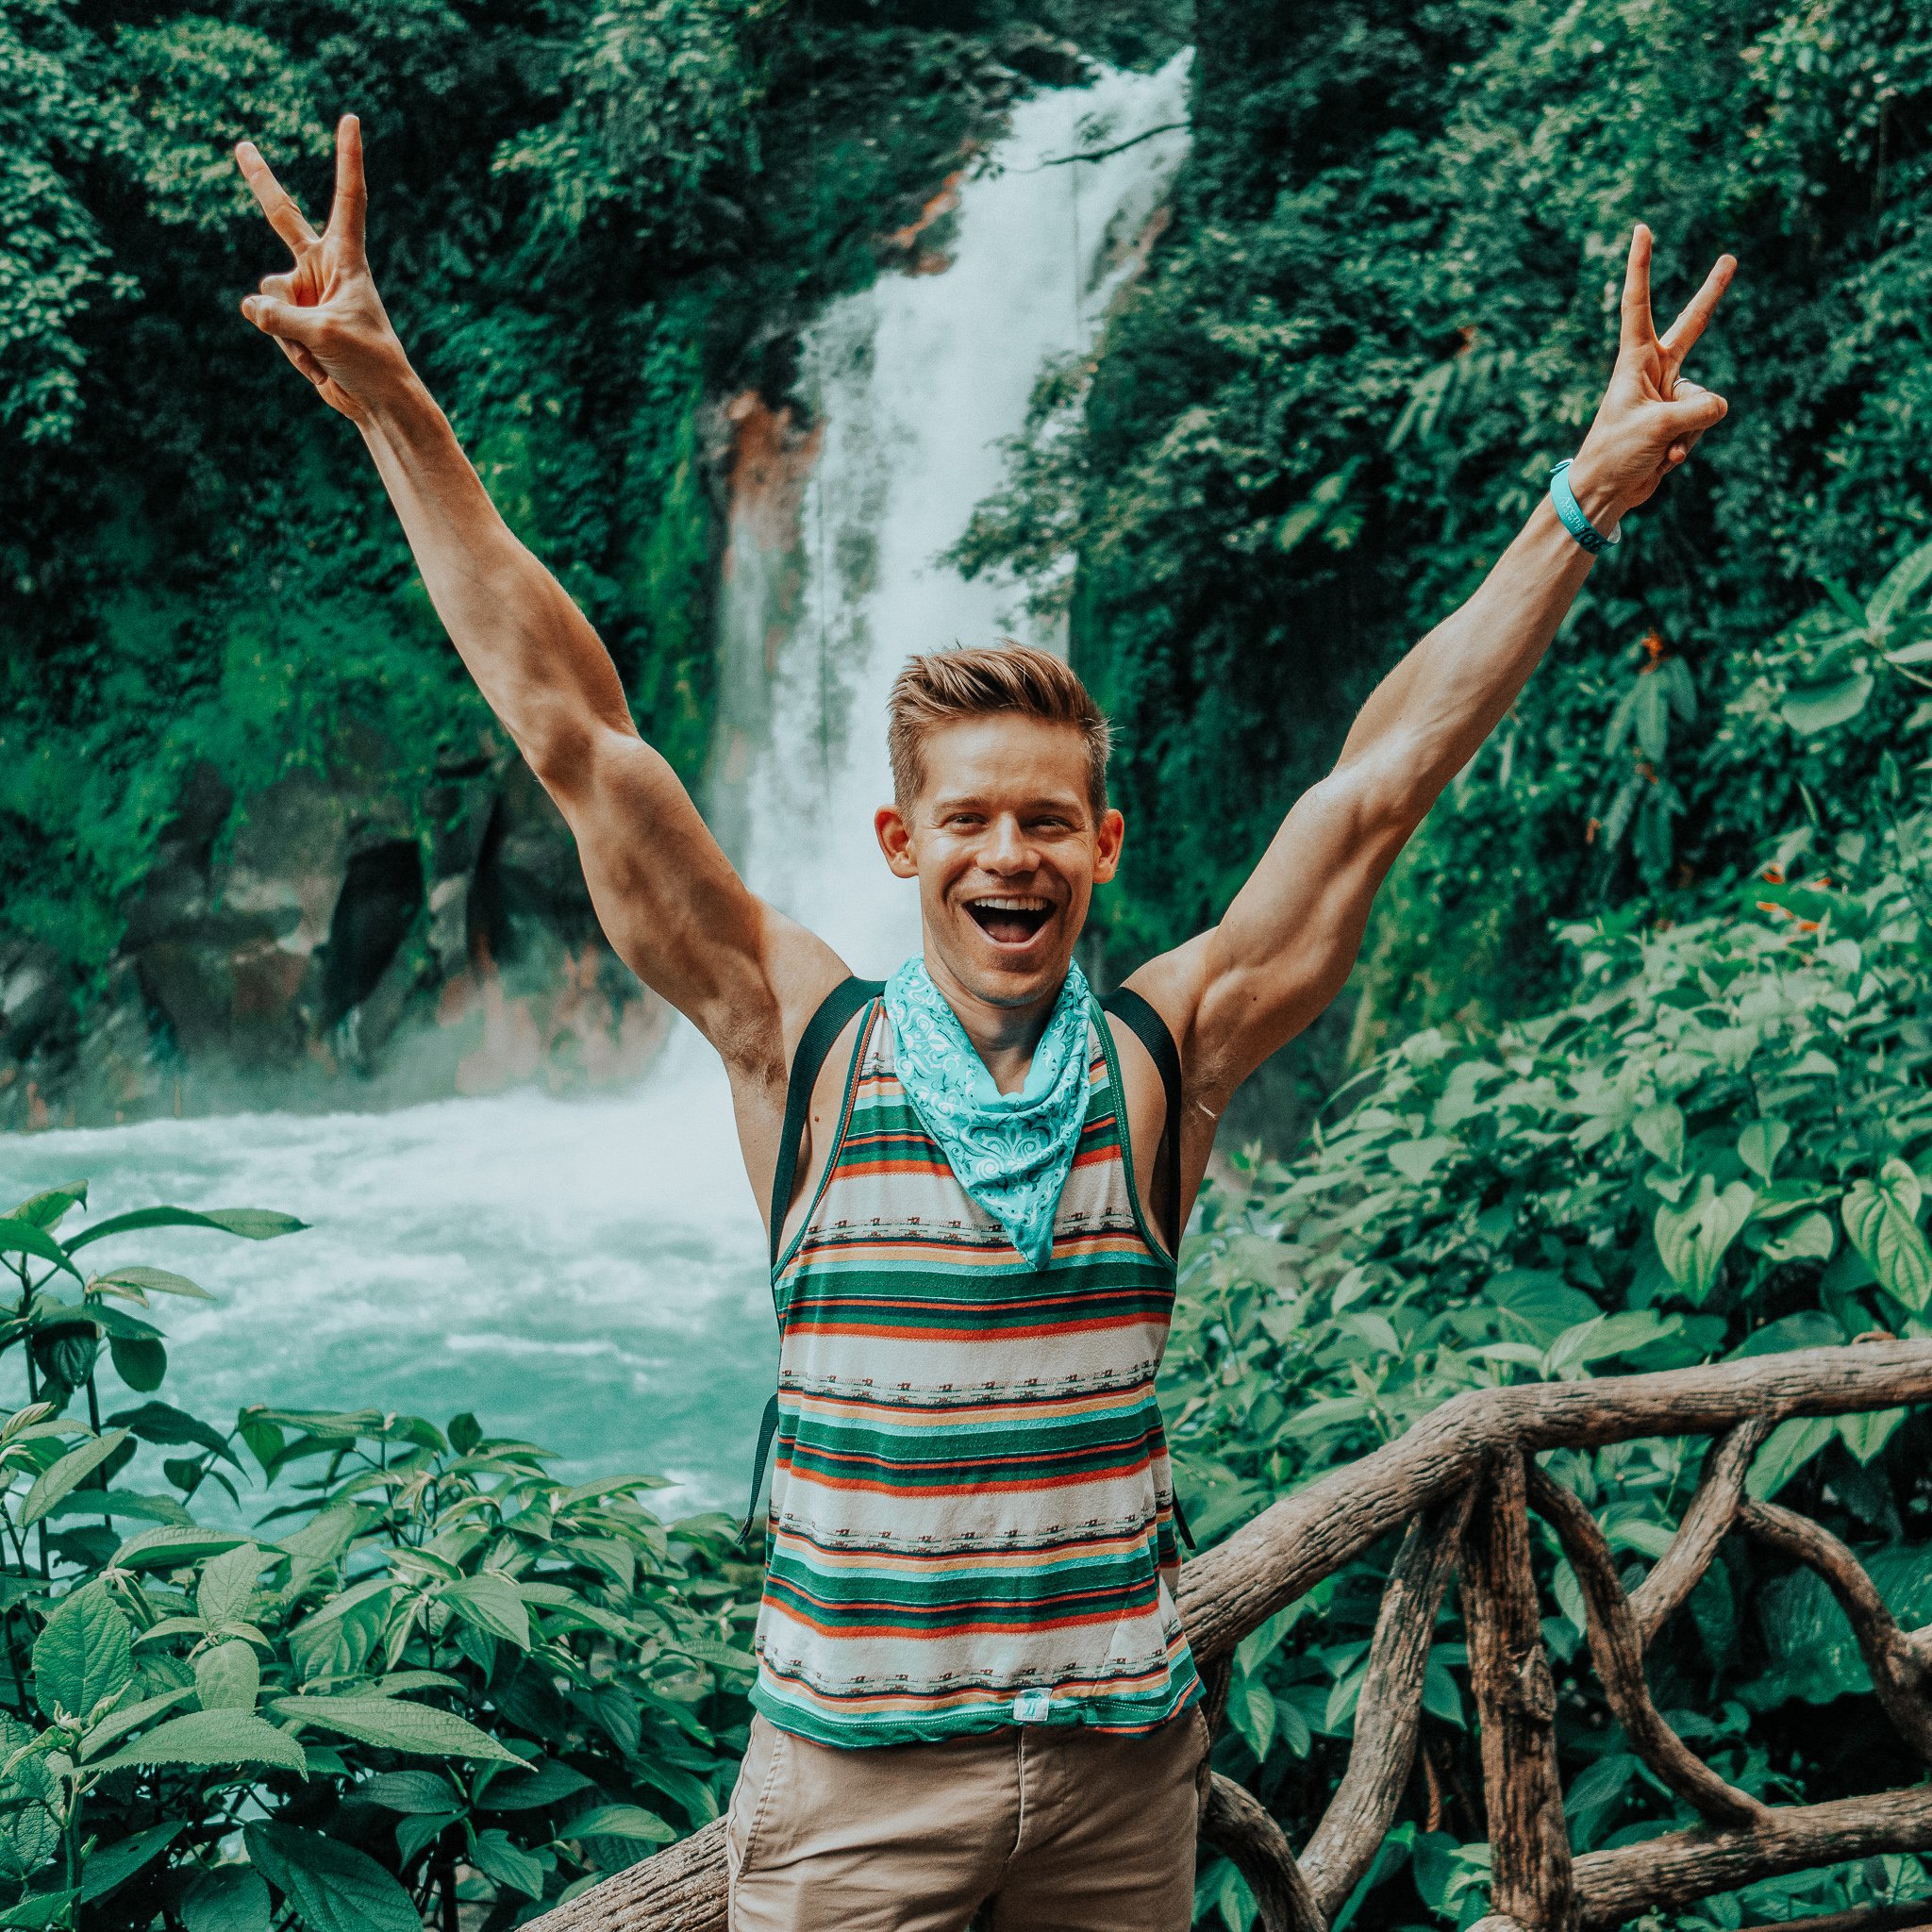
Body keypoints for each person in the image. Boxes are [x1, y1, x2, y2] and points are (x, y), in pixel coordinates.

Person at [232, 113, 1734, 1932]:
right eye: (968, 820)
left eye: (1045, 822)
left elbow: (1377, 787)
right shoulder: (797, 1041)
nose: (1006, 855)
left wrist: (1583, 502)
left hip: (1119, 1778)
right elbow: (582, 737)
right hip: (857, 1794)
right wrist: (393, 400)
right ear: (900, 843)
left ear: (1102, 847)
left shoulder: (1170, 1052)